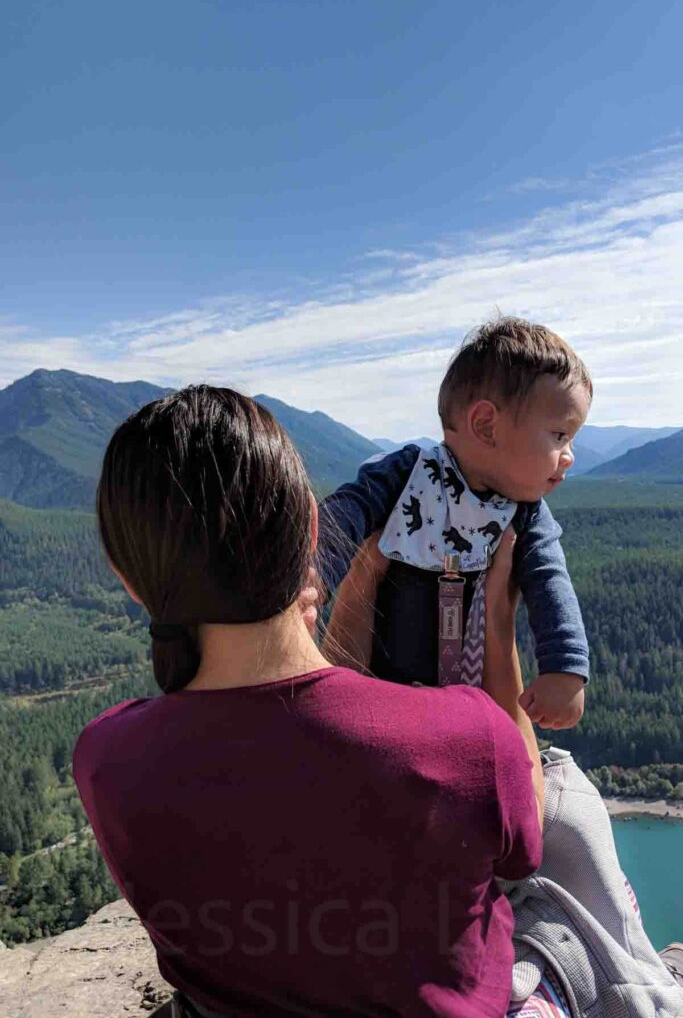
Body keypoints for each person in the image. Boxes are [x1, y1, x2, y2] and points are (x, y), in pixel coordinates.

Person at [73, 385, 545, 1018]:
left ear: (127, 578)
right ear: (313, 530)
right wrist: (498, 621)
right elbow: (525, 838)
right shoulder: (467, 739)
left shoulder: (107, 759)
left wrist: (363, 580)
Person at [319, 316, 591, 730]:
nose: (569, 455)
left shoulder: (525, 513)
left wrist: (566, 668)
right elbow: (349, 510)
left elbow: (552, 582)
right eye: (559, 436)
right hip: (377, 695)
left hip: (469, 710)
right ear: (485, 425)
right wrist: (311, 569)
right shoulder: (406, 475)